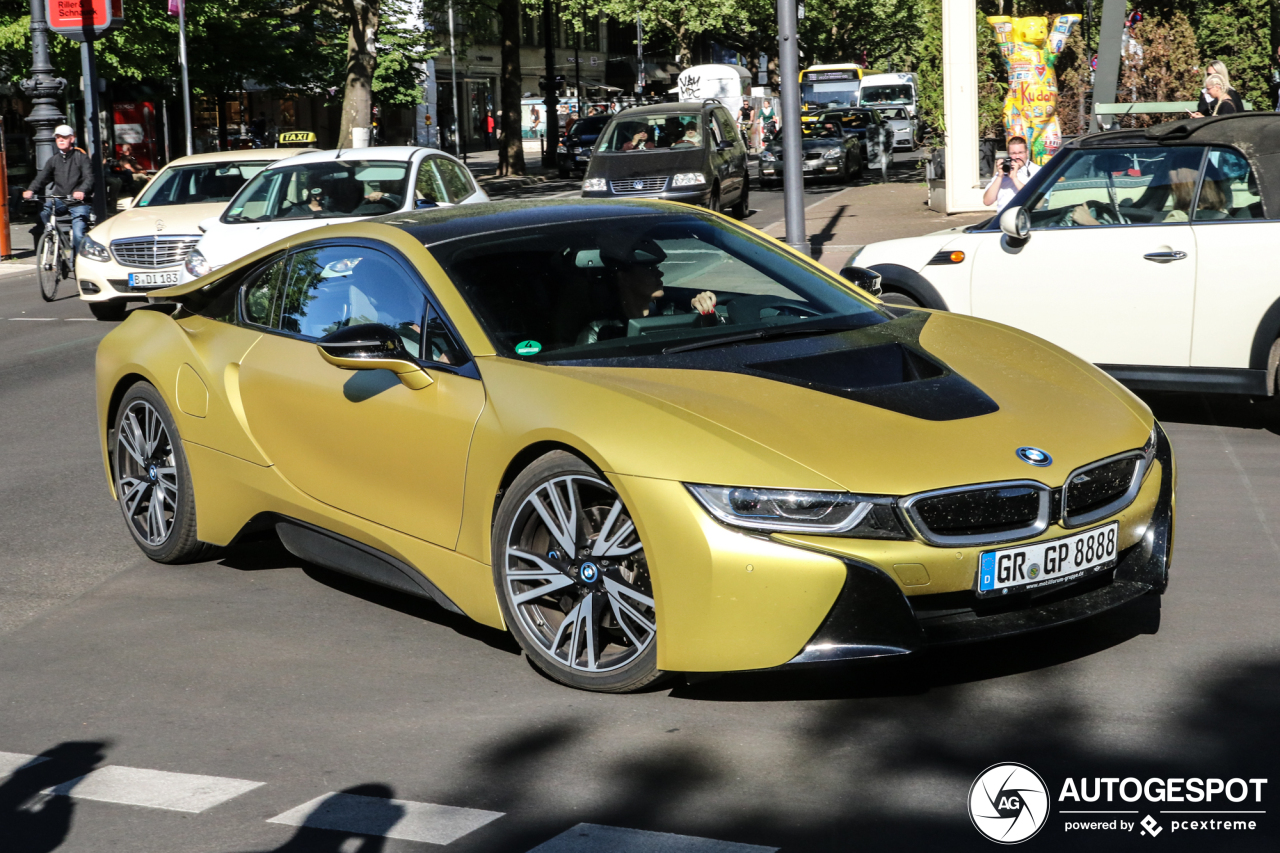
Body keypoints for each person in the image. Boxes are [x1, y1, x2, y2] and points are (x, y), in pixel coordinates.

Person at [576, 236, 718, 345]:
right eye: (649, 269)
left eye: (656, 268)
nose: (660, 274)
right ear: (624, 278)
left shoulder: (672, 315)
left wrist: (705, 316)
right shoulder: (600, 331)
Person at [23, 124, 93, 256]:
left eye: (64, 137)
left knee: (78, 235)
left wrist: (81, 190)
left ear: (71, 139)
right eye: (58, 137)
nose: (60, 140)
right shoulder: (54, 160)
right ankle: (54, 237)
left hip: (79, 203)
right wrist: (31, 190)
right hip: (60, 199)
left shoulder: (81, 157)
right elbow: (42, 178)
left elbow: (89, 178)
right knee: (45, 211)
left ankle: (77, 262)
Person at [982, 135, 1039, 212]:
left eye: (1020, 152)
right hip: (1002, 219)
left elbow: (1037, 203)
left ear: (1027, 152)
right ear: (1008, 154)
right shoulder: (1003, 170)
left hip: (1026, 219)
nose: (1017, 157)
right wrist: (1000, 176)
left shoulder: (1037, 171)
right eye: (1013, 153)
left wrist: (1014, 178)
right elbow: (987, 201)